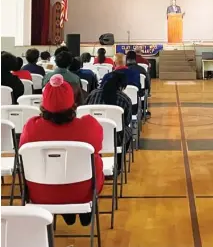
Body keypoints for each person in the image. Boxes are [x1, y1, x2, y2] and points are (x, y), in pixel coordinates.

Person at [19, 74, 104, 226]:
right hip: (83, 191)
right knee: (95, 157)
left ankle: (65, 211)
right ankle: (85, 208)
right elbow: (98, 146)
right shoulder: (89, 125)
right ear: (73, 102)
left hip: (41, 192)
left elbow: (22, 152)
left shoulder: (31, 127)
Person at [86, 72, 132, 168]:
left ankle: (94, 163)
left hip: (91, 135)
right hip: (116, 139)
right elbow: (127, 121)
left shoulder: (93, 94)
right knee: (128, 131)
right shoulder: (125, 99)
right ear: (122, 85)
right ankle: (118, 163)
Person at [126, 50, 151, 117]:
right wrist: (148, 91)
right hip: (138, 93)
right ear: (135, 59)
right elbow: (147, 83)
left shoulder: (121, 70)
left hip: (123, 95)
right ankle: (144, 110)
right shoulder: (142, 69)